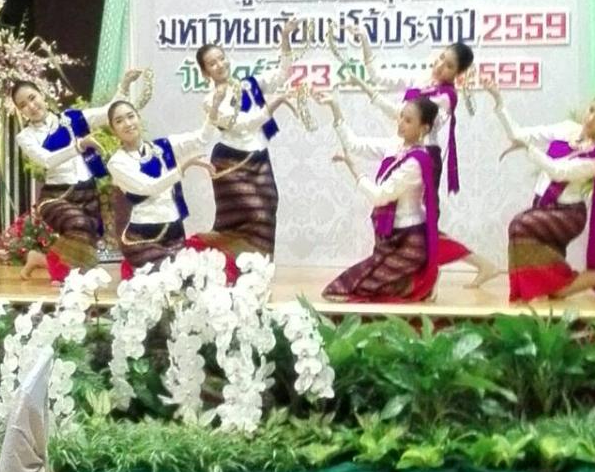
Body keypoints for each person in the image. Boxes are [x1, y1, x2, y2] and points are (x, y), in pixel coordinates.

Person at [340, 25, 501, 286]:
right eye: (441, 58)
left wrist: (369, 93)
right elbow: (378, 75)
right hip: (404, 149)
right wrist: (364, 41)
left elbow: (402, 115)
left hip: (424, 158)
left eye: (449, 66)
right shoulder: (422, 78)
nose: (440, 67)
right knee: (405, 221)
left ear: (458, 74)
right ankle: (475, 266)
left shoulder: (446, 98)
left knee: (421, 225)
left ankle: (434, 276)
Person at [488, 85, 595, 300]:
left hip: (568, 214)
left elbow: (559, 172)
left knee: (519, 225)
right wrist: (499, 102)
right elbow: (518, 134)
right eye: (591, 110)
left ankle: (530, 290)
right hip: (545, 208)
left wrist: (529, 148)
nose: (592, 118)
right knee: (557, 290)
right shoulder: (567, 129)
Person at [12, 70, 140, 281]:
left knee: (86, 250)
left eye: (32, 98)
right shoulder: (25, 137)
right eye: (23, 105)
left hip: (87, 192)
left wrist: (124, 85)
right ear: (20, 111)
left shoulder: (72, 119)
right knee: (79, 224)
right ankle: (65, 278)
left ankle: (40, 260)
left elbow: (107, 113)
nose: (31, 106)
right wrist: (80, 145)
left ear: (42, 94)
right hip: (56, 196)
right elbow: (46, 160)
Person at [317, 92, 440, 303]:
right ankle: (414, 281)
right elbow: (355, 144)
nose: (400, 123)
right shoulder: (396, 145)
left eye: (408, 120)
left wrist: (354, 169)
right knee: (342, 288)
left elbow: (380, 197)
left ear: (424, 128)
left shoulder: (417, 162)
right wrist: (335, 109)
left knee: (352, 289)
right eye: (401, 116)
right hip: (388, 236)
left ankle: (420, 280)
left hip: (409, 239)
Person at [194, 19, 299, 260]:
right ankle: (226, 263)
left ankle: (260, 268)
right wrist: (275, 103)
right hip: (230, 162)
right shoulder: (210, 101)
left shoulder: (249, 85)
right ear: (205, 72)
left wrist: (285, 37)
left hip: (259, 157)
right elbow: (242, 125)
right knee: (250, 212)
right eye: (212, 63)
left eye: (221, 58)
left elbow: (283, 73)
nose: (220, 65)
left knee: (269, 205)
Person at [101, 99, 217, 274]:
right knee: (157, 282)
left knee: (181, 280)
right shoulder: (117, 162)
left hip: (175, 228)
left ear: (139, 118)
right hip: (144, 235)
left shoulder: (163, 147)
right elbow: (148, 187)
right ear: (113, 129)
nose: (128, 123)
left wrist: (215, 108)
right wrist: (183, 166)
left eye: (131, 116)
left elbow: (202, 138)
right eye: (119, 121)